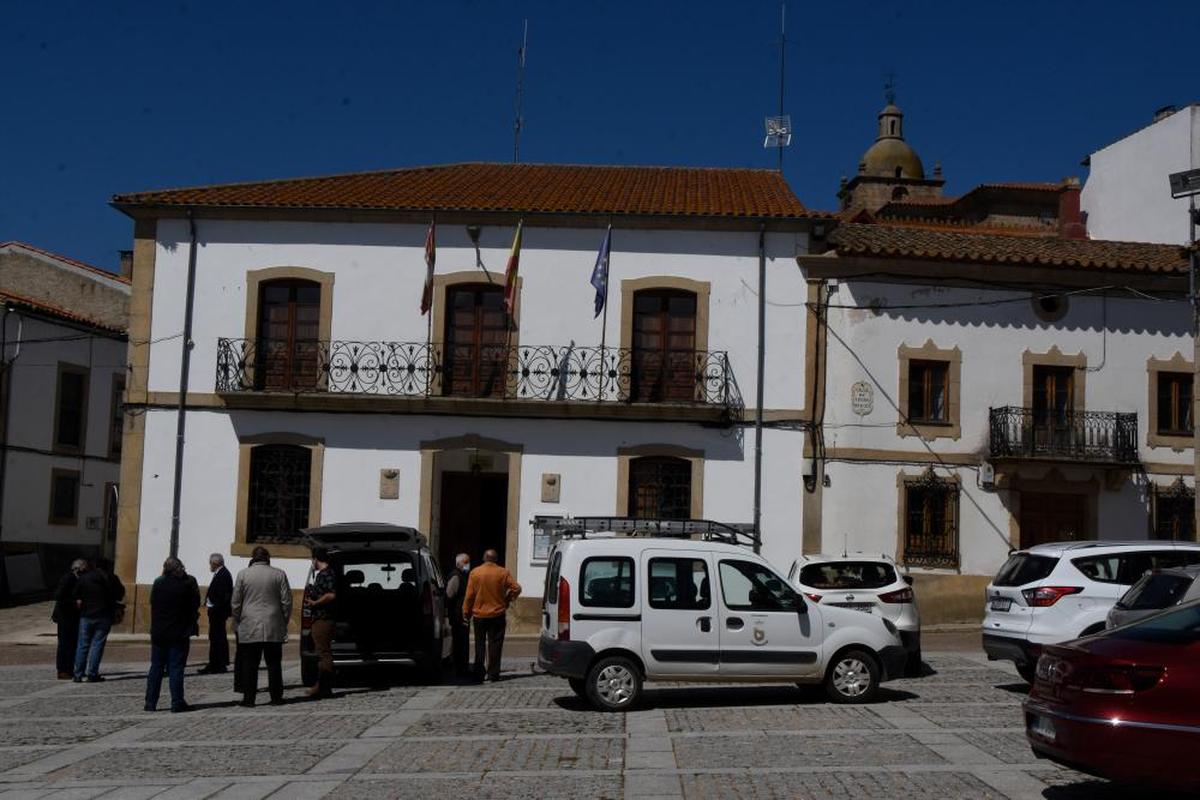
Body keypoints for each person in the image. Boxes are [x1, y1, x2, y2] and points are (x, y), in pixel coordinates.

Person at [231, 546, 292, 707]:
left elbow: (236, 601)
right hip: (273, 622)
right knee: (274, 663)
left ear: (253, 557)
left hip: (249, 623)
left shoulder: (243, 574)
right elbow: (286, 601)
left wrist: (236, 619)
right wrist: (284, 620)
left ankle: (249, 698)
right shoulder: (279, 573)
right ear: (267, 558)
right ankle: (276, 697)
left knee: (250, 664)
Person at [145, 557, 201, 712]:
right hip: (178, 632)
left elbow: (153, 603)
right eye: (181, 567)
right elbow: (194, 604)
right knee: (176, 667)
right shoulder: (186, 585)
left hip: (159, 631)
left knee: (156, 666)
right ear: (178, 569)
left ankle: (150, 702)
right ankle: (177, 702)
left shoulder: (158, 583)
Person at [463, 549, 521, 683]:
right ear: (496, 559)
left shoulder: (475, 572)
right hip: (497, 614)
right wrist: (507, 599)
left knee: (479, 644)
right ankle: (493, 673)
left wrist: (466, 612)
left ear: (484, 558)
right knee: (495, 645)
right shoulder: (503, 572)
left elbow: (469, 595)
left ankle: (478, 673)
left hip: (479, 614)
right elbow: (516, 588)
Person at [73, 557, 125, 682]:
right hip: (104, 615)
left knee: (82, 645)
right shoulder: (112, 578)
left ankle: (78, 674)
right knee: (97, 644)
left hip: (86, 614)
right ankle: (92, 673)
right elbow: (120, 594)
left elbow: (75, 593)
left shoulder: (85, 578)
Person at [303, 547, 337, 699]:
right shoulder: (323, 574)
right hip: (319, 617)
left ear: (316, 559)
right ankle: (321, 685)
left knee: (323, 653)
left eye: (312, 559)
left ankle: (324, 686)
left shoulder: (327, 574)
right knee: (321, 652)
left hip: (323, 617)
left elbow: (330, 595)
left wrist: (315, 603)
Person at [51, 559, 87, 679]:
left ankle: (69, 668)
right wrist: (75, 602)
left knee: (72, 643)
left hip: (72, 616)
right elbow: (59, 596)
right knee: (65, 644)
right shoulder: (68, 578)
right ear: (77, 569)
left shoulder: (77, 579)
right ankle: (63, 669)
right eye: (83, 569)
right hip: (65, 617)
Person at [199, 553, 233, 674]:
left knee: (217, 637)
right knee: (215, 637)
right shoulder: (221, 573)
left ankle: (218, 663)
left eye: (210, 563)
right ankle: (216, 662)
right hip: (216, 612)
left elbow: (223, 596)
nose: (210, 566)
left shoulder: (223, 574)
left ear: (215, 563)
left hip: (218, 612)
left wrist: (214, 607)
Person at [444, 553, 471, 676]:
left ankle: (462, 667)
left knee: (463, 642)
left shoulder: (462, 575)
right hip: (457, 615)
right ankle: (459, 668)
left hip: (461, 614)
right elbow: (449, 595)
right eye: (465, 562)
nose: (467, 564)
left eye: (468, 562)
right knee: (459, 642)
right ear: (459, 563)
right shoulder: (456, 577)